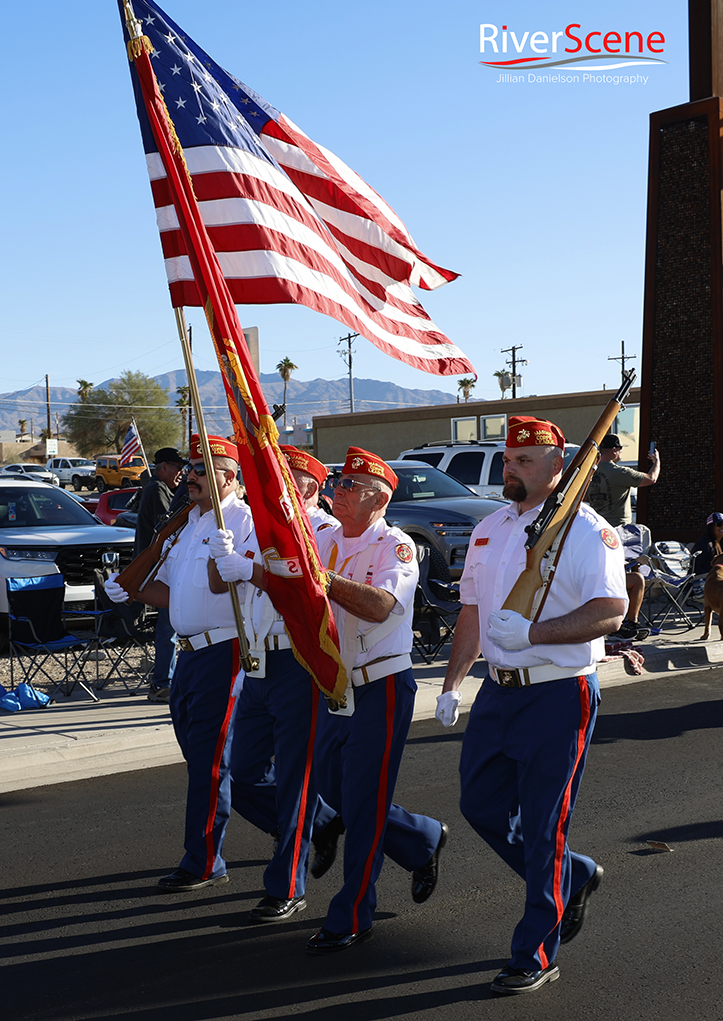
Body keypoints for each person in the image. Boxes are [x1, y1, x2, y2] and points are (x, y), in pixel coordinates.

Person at [436, 416, 627, 996]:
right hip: (498, 691)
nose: (509, 467)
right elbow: (472, 612)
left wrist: (534, 636)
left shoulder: (586, 530)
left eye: (523, 459)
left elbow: (611, 611)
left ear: (556, 467)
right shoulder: (490, 527)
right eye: (507, 458)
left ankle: (535, 951)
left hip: (557, 690)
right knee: (480, 803)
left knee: (544, 824)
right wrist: (450, 685)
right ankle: (572, 877)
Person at [306, 447, 448, 955]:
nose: (336, 491)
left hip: (379, 684)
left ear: (377, 499)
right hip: (333, 685)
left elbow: (380, 607)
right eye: (338, 484)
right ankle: (419, 838)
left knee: (363, 805)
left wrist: (320, 579)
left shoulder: (396, 546)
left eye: (348, 486)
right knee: (333, 787)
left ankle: (351, 914)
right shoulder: (320, 538)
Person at [105, 435, 254, 892]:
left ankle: (204, 859)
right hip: (187, 658)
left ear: (230, 478)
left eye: (202, 469)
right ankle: (319, 820)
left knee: (210, 764)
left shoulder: (243, 521)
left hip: (224, 652)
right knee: (200, 760)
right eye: (191, 468)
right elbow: (168, 594)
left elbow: (218, 587)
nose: (191, 475)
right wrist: (128, 589)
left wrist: (222, 550)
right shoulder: (187, 523)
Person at [207, 446, 340, 923]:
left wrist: (253, 570)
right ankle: (325, 824)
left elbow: (311, 587)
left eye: (286, 478)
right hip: (258, 661)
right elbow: (224, 586)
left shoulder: (322, 532)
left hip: (299, 661)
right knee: (241, 773)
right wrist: (221, 554)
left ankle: (287, 884)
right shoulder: (258, 530)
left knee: (294, 781)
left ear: (309, 487)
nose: (275, 486)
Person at [133, 447, 187, 703]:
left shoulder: (161, 489)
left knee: (171, 627)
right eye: (177, 468)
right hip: (159, 571)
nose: (181, 473)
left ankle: (166, 680)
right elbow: (171, 523)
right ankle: (162, 682)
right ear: (162, 467)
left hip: (160, 569)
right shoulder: (157, 490)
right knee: (169, 628)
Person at [586, 433, 660, 528]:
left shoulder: (589, 472)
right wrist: (656, 462)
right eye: (620, 449)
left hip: (597, 526)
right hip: (618, 528)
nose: (621, 452)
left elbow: (586, 498)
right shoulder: (620, 472)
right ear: (614, 450)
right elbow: (651, 478)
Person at [691, 512, 723, 576]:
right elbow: (694, 567)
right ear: (711, 527)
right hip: (706, 582)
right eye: (719, 524)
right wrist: (710, 575)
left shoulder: (720, 543)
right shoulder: (704, 543)